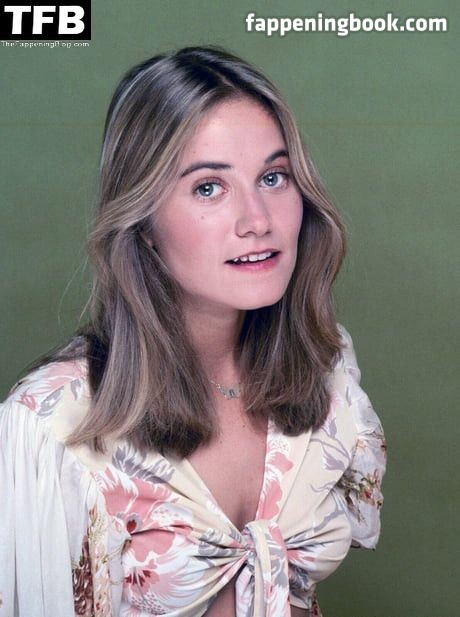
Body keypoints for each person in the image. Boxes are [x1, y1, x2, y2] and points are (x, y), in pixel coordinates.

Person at [0, 46, 386, 617]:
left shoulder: (324, 364)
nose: (258, 220)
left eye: (273, 177)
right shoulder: (52, 423)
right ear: (144, 222)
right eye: (209, 187)